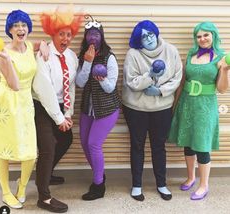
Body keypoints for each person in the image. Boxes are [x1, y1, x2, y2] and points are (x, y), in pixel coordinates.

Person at [122, 20, 182, 201]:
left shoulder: (171, 50)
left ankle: (161, 184)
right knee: (137, 145)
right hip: (135, 108)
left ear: (156, 33)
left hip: (162, 107)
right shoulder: (133, 54)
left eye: (150, 34)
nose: (148, 38)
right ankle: (137, 185)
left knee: (159, 146)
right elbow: (132, 82)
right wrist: (151, 76)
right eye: (143, 37)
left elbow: (177, 77)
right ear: (138, 40)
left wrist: (161, 91)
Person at [168, 21, 229, 200]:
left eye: (206, 35)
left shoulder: (221, 57)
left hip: (205, 106)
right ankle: (191, 177)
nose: (202, 39)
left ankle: (204, 185)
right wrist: (175, 105)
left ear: (213, 35)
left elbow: (223, 89)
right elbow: (182, 81)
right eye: (199, 35)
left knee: (202, 146)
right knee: (188, 142)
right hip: (187, 104)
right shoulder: (191, 54)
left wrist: (225, 70)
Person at [0, 9, 48, 209]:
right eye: (16, 25)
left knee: (30, 153)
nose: (20, 28)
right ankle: (6, 193)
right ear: (9, 29)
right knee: (4, 150)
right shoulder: (2, 53)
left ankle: (22, 186)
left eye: (24, 25)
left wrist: (43, 44)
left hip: (26, 102)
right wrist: (7, 60)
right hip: (7, 102)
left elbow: (36, 45)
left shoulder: (27, 45)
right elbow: (15, 85)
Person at [32, 6, 83, 213]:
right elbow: (43, 89)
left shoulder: (71, 57)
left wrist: (68, 113)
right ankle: (43, 197)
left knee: (66, 139)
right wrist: (58, 118)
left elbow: (70, 85)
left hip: (61, 106)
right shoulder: (44, 55)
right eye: (61, 34)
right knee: (48, 146)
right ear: (52, 34)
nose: (66, 38)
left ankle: (46, 172)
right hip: (42, 105)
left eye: (69, 34)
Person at [76, 15, 121, 201]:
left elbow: (110, 87)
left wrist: (101, 80)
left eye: (96, 34)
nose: (93, 37)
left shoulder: (109, 57)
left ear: (101, 36)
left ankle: (98, 185)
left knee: (94, 144)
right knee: (85, 144)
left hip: (107, 108)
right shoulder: (83, 56)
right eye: (89, 34)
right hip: (88, 107)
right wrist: (87, 62)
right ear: (85, 37)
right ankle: (99, 174)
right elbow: (79, 83)